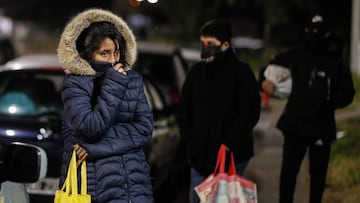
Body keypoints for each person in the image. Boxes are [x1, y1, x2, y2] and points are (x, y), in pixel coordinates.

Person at [57, 8, 154, 203]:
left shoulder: (133, 80)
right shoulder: (75, 83)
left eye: (116, 53)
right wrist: (114, 84)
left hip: (136, 186)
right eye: (105, 54)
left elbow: (144, 130)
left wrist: (96, 148)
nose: (113, 60)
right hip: (94, 187)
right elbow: (91, 127)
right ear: (88, 55)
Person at [260, 12, 355, 203]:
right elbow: (268, 70)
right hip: (294, 125)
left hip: (321, 127)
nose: (312, 34)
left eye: (317, 31)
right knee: (288, 174)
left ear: (327, 34)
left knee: (318, 178)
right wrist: (264, 82)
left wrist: (328, 101)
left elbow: (348, 92)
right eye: (309, 29)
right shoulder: (295, 55)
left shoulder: (336, 61)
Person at [178, 19, 261, 203]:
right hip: (199, 157)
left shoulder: (241, 73)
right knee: (196, 198)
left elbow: (250, 112)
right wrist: (190, 143)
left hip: (232, 156)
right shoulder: (197, 73)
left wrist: (229, 143)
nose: (205, 47)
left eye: (210, 44)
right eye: (202, 43)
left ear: (225, 45)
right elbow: (184, 110)